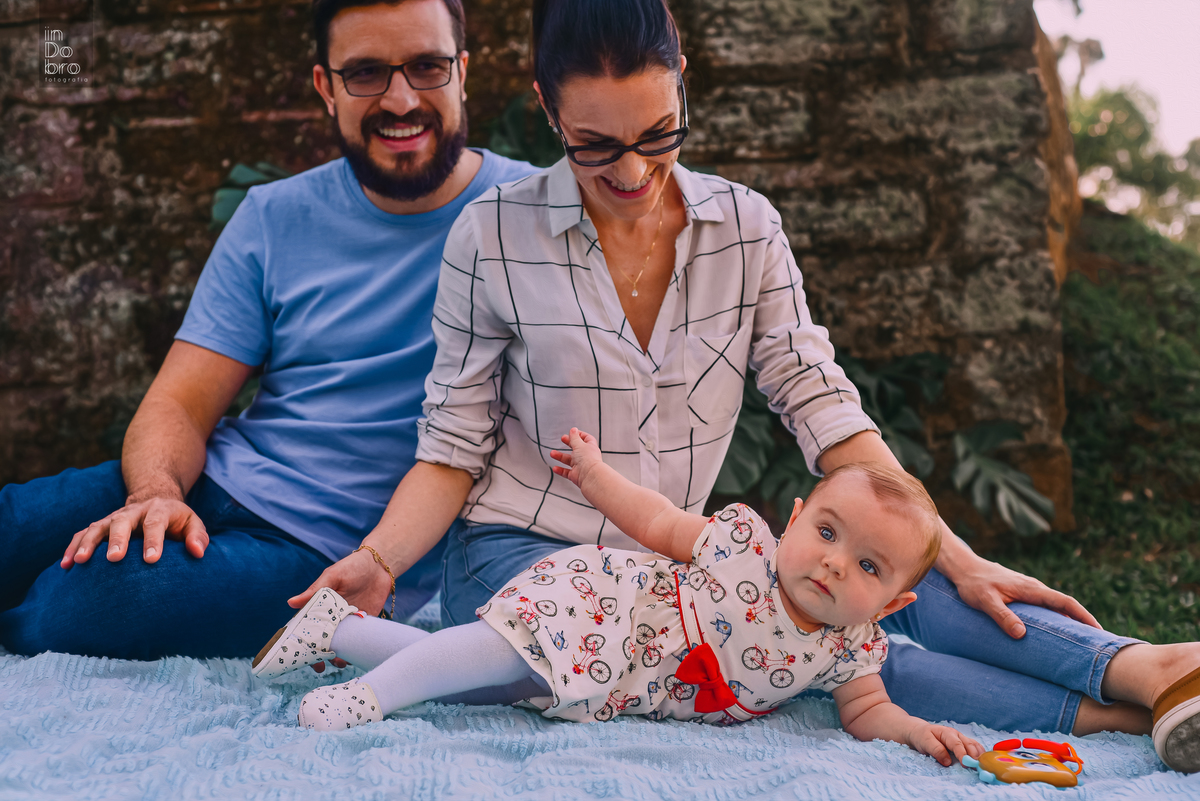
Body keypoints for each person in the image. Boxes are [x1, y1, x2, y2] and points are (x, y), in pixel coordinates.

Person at [290, 0, 1200, 772]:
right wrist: (379, 561)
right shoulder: (490, 234)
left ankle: (1150, 671)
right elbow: (452, 448)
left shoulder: (745, 227)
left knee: (875, 583)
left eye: (659, 134)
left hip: (679, 571)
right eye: (594, 146)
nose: (632, 173)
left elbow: (822, 405)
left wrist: (950, 555)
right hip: (525, 561)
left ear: (683, 80)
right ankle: (1115, 716)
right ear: (545, 108)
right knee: (828, 651)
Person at [0, 0, 536, 660]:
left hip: (327, 554)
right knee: (14, 523)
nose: (401, 100)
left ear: (463, 72)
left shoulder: (532, 217)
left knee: (95, 596)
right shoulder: (274, 216)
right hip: (212, 482)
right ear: (326, 88)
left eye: (427, 66)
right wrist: (158, 495)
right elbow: (180, 402)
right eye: (365, 73)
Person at [258, 432, 986, 768]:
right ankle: (371, 695)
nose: (833, 562)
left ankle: (341, 630)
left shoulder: (851, 647)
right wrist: (596, 475)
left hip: (618, 681)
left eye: (867, 565)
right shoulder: (742, 547)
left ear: (891, 604)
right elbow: (658, 521)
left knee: (492, 682)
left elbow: (866, 711)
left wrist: (915, 731)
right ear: (793, 519)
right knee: (496, 655)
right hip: (606, 608)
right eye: (826, 531)